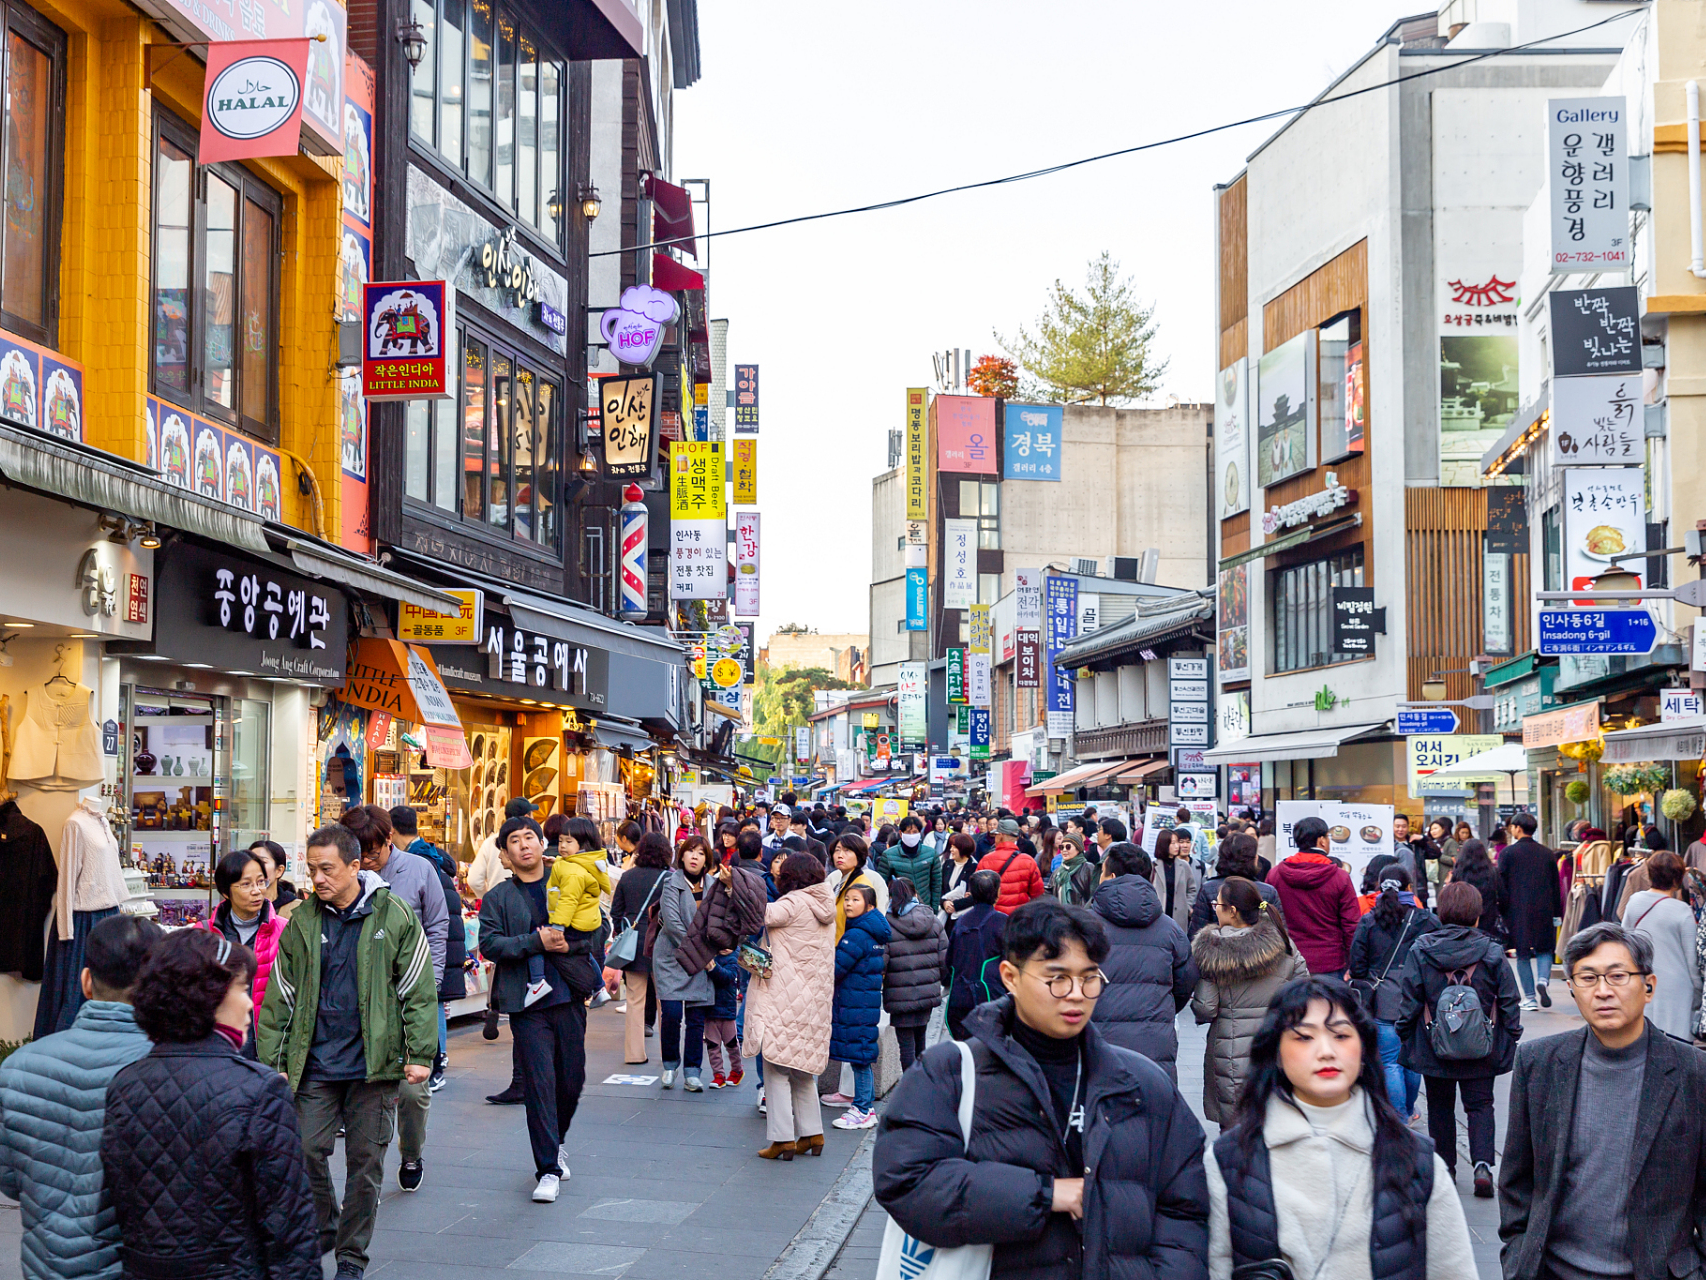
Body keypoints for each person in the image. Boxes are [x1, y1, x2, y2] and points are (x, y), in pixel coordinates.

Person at [874, 898, 1210, 1278]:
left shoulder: (1141, 1084)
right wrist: (1045, 1194)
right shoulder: (949, 1074)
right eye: (1057, 978)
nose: (1076, 993)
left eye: (1089, 977)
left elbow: (1186, 1207)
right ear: (1010, 977)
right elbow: (908, 1182)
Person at [1204, 977, 1476, 1279]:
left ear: (1362, 1049)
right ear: (1276, 1052)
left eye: (1341, 1035)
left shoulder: (1419, 1162)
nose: (1326, 1051)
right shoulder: (1229, 1160)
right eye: (1304, 1037)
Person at [256, 823, 437, 1276]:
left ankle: (351, 1257)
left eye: (328, 869)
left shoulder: (394, 914)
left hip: (374, 1067)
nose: (317, 878)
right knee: (304, 1150)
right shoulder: (303, 920)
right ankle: (328, 1226)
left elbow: (417, 990)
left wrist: (420, 1054)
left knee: (365, 1164)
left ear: (355, 866)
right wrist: (273, 1062)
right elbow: (280, 996)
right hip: (314, 1063)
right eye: (312, 869)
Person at [104, 929, 320, 1279]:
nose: (249, 1003)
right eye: (242, 988)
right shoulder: (260, 1091)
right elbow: (289, 1226)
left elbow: (116, 1207)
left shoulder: (125, 1084)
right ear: (209, 995)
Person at [1499, 922, 1706, 1280]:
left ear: (1648, 986)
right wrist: (1518, 1260)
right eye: (1588, 978)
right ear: (1572, 988)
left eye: (1618, 976)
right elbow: (1516, 1182)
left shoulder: (1694, 1073)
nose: (1603, 991)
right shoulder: (1538, 1063)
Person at [0, 915, 161, 1280]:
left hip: (48, 1264)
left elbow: (10, 1180)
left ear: (86, 981)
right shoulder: (170, 1069)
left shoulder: (19, 1067)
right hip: (134, 1266)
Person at [476, 814, 599, 1203]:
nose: (524, 845)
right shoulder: (498, 897)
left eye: (529, 836)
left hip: (568, 995)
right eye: (514, 840)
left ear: (541, 843)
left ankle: (556, 1141)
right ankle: (547, 1168)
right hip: (527, 1005)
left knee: (570, 1080)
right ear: (505, 853)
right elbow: (489, 944)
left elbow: (596, 929)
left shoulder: (566, 878)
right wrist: (534, 942)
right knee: (540, 1083)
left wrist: (570, 945)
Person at [338, 804, 447, 1195]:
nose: (366, 862)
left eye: (372, 853)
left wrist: (431, 981)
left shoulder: (419, 870)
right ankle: (366, 1169)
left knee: (413, 1091)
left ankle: (412, 1153)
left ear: (389, 840)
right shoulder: (342, 875)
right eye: (358, 853)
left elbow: (438, 925)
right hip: (355, 1000)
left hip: (406, 996)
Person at [1395, 881, 1522, 1200]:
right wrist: (1510, 1035)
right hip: (1482, 1045)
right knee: (1480, 1104)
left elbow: (1409, 998)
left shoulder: (1421, 949)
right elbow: (1509, 999)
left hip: (1434, 1044)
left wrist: (1405, 1033)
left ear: (1441, 913)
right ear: (1477, 915)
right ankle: (1482, 1166)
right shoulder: (1491, 951)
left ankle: (1446, 1170)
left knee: (1439, 1107)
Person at [1190, 876, 1308, 1125]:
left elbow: (1205, 1008)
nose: (1215, 909)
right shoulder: (1283, 943)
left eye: (1217, 904)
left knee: (1234, 1129)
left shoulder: (1213, 951)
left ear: (1232, 911)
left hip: (1230, 1053)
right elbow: (1303, 994)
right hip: (1277, 1048)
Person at [744, 852, 837, 1160]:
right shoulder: (824, 905)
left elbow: (761, 914)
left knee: (775, 1068)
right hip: (812, 1003)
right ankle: (812, 1133)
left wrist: (737, 885)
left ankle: (783, 1138)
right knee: (800, 1070)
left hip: (784, 998)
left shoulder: (794, 902)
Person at [1088, 842, 1197, 1080]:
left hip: (1097, 1039)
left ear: (1111, 877)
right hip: (1154, 1039)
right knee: (1154, 1097)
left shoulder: (1082, 925)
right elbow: (1185, 983)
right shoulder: (1170, 929)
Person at [1348, 865, 1439, 1125]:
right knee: (1413, 1061)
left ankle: (1399, 1118)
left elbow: (1357, 967)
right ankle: (1408, 1109)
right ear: (1409, 888)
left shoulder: (1369, 920)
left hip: (1383, 1001)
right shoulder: (1426, 920)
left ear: (1379, 887)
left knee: (1390, 1062)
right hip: (1419, 1000)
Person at [389, 806, 465, 1093]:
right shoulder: (435, 857)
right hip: (445, 942)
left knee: (431, 1002)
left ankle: (435, 1061)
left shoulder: (416, 863)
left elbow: (434, 917)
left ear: (391, 831)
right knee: (435, 1002)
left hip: (430, 945)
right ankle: (438, 1059)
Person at [199, 848, 286, 1054]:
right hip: (217, 1046)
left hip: (269, 1047)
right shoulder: (203, 934)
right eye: (246, 884)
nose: (257, 891)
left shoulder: (285, 931)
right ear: (225, 892)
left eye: (261, 882)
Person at [652, 837, 716, 1091]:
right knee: (671, 1014)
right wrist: (699, 949)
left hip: (701, 960)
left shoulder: (714, 885)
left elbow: (720, 919)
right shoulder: (672, 883)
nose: (695, 856)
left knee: (696, 1019)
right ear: (682, 855)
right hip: (672, 957)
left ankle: (692, 1071)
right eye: (690, 851)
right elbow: (672, 924)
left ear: (707, 859)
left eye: (701, 853)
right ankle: (670, 1065)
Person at [526, 816, 611, 1007]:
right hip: (584, 922)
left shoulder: (573, 873)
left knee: (536, 938)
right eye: (561, 840)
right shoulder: (583, 863)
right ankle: (599, 987)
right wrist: (555, 862)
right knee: (587, 955)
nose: (563, 846)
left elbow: (568, 900)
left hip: (571, 922)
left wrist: (558, 926)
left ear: (583, 845)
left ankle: (538, 982)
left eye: (569, 841)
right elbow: (571, 865)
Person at [1619, 849, 1700, 1040]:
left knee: (1644, 1042)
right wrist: (1698, 990)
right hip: (1678, 989)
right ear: (1677, 878)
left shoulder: (1635, 901)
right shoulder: (1682, 911)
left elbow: (1625, 943)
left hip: (1643, 982)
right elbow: (1692, 961)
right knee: (1677, 1045)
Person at [828, 884, 890, 1130]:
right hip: (864, 1003)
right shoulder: (872, 931)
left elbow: (835, 970)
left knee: (860, 1059)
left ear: (870, 905)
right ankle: (866, 1108)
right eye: (847, 899)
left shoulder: (856, 935)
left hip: (855, 1003)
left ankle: (862, 1109)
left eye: (855, 900)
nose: (849, 904)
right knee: (861, 1054)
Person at [1268, 816, 1360, 977]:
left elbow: (1267, 917)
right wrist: (1354, 963)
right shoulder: (1340, 877)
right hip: (1330, 962)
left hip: (1288, 960)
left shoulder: (1275, 874)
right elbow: (1351, 925)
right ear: (1322, 841)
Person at [605, 831, 669, 1063]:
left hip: (633, 946)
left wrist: (623, 930)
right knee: (665, 1002)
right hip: (662, 944)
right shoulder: (669, 878)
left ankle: (634, 1054)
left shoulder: (628, 877)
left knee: (634, 1001)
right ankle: (668, 1056)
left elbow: (616, 912)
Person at [1497, 812, 1563, 1011]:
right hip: (1545, 908)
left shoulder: (1507, 854)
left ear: (1517, 828)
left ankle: (1530, 998)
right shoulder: (1547, 853)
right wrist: (1557, 913)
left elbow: (1501, 885)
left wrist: (1502, 909)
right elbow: (1556, 886)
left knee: (1523, 953)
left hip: (1518, 910)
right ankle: (1543, 980)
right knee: (1544, 949)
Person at [882, 876, 947, 1072]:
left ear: (891, 897)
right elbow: (944, 959)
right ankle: (922, 1082)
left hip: (899, 996)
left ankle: (910, 1085)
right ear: (915, 894)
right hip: (927, 993)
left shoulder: (886, 924)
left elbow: (881, 963)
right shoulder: (933, 920)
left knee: (906, 1047)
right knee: (921, 1041)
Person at [943, 869, 1009, 1041]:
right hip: (991, 998)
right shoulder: (1003, 922)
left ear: (971, 893)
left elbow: (949, 962)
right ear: (997, 893)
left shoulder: (961, 922)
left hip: (960, 997)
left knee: (966, 1048)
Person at [1187, 833, 1280, 937]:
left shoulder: (1209, 889)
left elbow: (1196, 933)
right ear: (1252, 859)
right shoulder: (1268, 891)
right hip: (1260, 946)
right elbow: (1279, 933)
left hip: (1216, 946)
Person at [469, 797, 536, 897]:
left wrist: (487, 898)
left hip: (497, 901)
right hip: (529, 901)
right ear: (527, 817)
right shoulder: (536, 841)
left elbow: (474, 880)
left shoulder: (490, 842)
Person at [977, 818, 1045, 915]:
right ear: (1016, 838)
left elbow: (977, 891)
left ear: (1000, 836)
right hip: (1020, 916)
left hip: (993, 916)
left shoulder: (986, 860)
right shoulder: (1028, 861)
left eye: (996, 835)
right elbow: (1038, 894)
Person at [875, 815, 941, 912]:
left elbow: (936, 884)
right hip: (898, 908)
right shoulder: (889, 855)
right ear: (901, 833)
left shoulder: (931, 854)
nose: (911, 835)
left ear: (920, 833)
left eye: (915, 832)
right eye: (908, 832)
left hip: (924, 907)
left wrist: (934, 909)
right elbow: (882, 884)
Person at [829, 833, 888, 936]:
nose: (840, 855)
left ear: (859, 856)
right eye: (837, 850)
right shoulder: (841, 881)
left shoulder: (860, 885)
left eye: (847, 851)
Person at [1447, 838, 1506, 941]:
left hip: (1464, 915)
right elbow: (1503, 896)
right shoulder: (1492, 872)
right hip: (1488, 916)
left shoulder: (1459, 872)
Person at [703, 949, 743, 1089]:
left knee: (731, 1044)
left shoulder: (734, 958)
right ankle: (718, 1074)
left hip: (726, 1009)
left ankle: (737, 1070)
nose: (725, 947)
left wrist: (712, 967)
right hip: (709, 1008)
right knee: (712, 1045)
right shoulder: (710, 954)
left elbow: (728, 977)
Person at [1151, 828, 1202, 934]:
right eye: (1172, 843)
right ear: (1164, 844)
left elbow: (1192, 888)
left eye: (1177, 842)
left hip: (1179, 916)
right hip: (1158, 914)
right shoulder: (1153, 866)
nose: (1177, 846)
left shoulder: (1184, 865)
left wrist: (1187, 907)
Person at [247, 838, 301, 919]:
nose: (254, 867)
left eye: (262, 862)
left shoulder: (297, 909)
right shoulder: (238, 906)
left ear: (279, 871)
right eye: (250, 862)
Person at [1050, 831, 1098, 906]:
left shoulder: (1088, 869)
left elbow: (1094, 895)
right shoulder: (1057, 872)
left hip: (1082, 912)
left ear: (1078, 848)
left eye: (1068, 847)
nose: (1064, 850)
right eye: (1062, 847)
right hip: (1061, 912)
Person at [940, 830, 977, 917]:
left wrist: (955, 905)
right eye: (951, 847)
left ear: (963, 849)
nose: (951, 850)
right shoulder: (947, 864)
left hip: (964, 914)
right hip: (945, 913)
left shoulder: (974, 868)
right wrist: (944, 902)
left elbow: (974, 896)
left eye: (954, 847)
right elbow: (940, 888)